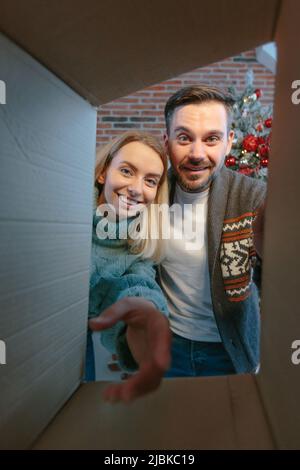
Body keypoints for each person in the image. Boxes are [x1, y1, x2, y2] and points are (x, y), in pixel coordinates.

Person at [90, 85, 266, 400]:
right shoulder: (149, 192)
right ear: (168, 142)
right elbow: (122, 258)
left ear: (229, 142)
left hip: (230, 352)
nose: (197, 154)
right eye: (185, 138)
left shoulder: (254, 198)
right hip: (167, 347)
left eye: (212, 138)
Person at [86, 131, 171, 394]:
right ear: (103, 173)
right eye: (126, 171)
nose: (136, 188)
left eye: (150, 181)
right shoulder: (64, 213)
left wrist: (146, 313)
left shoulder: (137, 250)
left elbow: (139, 285)